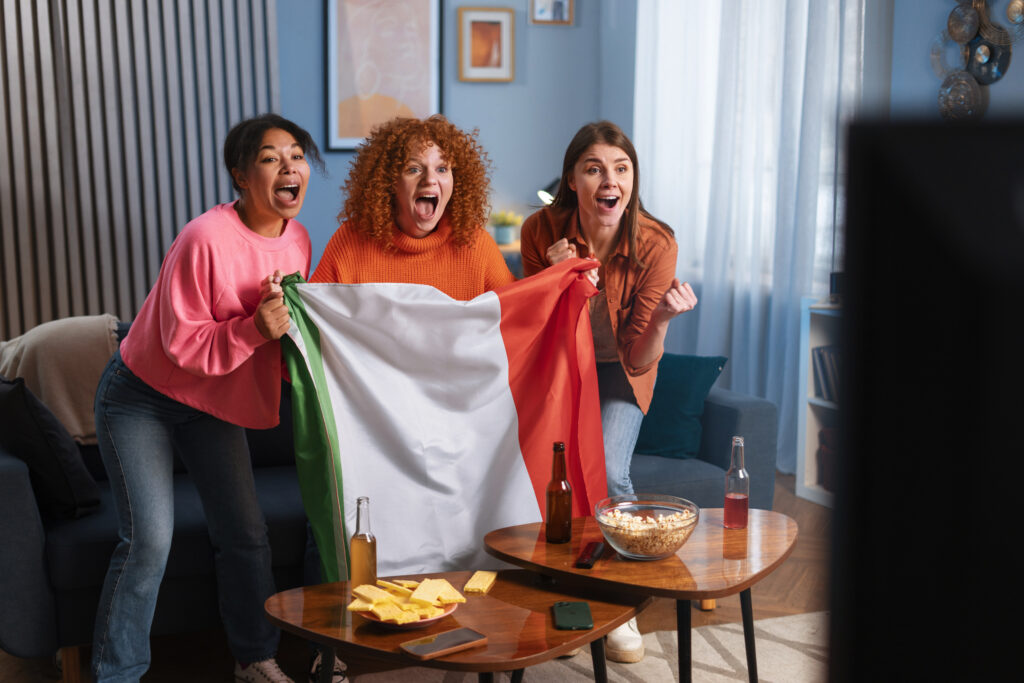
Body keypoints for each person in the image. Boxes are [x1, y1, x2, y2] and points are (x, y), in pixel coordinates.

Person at [91, 114, 323, 683]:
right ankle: (117, 674)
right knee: (148, 541)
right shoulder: (204, 238)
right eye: (271, 157)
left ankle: (254, 658)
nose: (290, 166)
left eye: (296, 154)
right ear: (241, 176)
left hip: (210, 403)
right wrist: (254, 327)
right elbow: (180, 342)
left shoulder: (298, 239)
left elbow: (282, 330)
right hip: (141, 396)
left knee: (245, 533)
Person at [520, 120, 697, 664]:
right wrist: (552, 286)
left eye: (621, 169)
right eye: (593, 168)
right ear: (572, 179)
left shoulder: (655, 242)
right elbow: (531, 328)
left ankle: (619, 609)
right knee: (550, 475)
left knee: (611, 474)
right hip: (560, 363)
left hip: (623, 367)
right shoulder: (540, 230)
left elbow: (640, 355)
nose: (608, 179)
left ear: (632, 179)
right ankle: (564, 595)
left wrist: (665, 319)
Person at [310, 114, 515, 297]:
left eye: (442, 169)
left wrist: (548, 274)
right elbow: (310, 319)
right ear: (389, 182)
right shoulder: (351, 240)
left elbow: (519, 312)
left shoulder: (475, 242)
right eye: (414, 169)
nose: (430, 179)